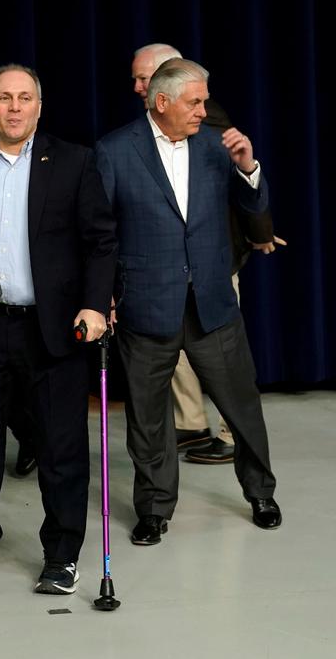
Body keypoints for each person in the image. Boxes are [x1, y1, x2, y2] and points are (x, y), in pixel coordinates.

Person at [0, 64, 116, 598]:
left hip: (54, 328)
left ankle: (61, 556)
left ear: (39, 106)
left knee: (61, 449)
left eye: (25, 98)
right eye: (4, 98)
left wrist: (94, 305)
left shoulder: (74, 162)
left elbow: (100, 241)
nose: (14, 108)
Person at [96, 58, 281, 545]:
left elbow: (253, 216)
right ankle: (155, 508)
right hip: (145, 307)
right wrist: (104, 297)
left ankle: (261, 492)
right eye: (194, 101)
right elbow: (102, 234)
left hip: (212, 306)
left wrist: (249, 169)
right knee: (148, 419)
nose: (203, 110)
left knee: (242, 408)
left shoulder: (216, 149)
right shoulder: (115, 151)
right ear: (162, 102)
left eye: (203, 100)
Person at [129, 44, 280, 464]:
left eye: (144, 77)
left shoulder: (204, 121)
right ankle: (192, 425)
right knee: (176, 355)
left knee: (224, 359)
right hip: (166, 271)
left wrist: (260, 232)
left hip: (212, 263)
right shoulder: (138, 134)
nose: (138, 86)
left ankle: (233, 437)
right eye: (138, 79)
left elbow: (233, 187)